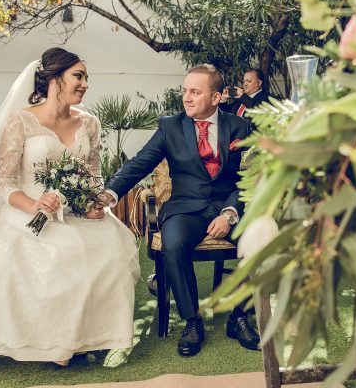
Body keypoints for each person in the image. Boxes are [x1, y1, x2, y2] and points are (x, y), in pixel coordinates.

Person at [0, 48, 140, 387]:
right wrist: (33, 206)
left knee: (108, 249)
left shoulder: (89, 122)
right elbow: (4, 182)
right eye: (79, 76)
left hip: (73, 210)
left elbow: (93, 178)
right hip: (25, 208)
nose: (85, 84)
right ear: (54, 79)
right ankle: (49, 341)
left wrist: (93, 202)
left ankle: (78, 337)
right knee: (55, 250)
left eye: (86, 77)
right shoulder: (20, 120)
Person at [106, 64, 259, 357]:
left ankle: (240, 317)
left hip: (226, 207)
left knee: (259, 243)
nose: (186, 98)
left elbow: (248, 177)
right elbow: (140, 163)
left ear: (217, 97)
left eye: (195, 92)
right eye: (185, 91)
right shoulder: (170, 126)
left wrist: (229, 213)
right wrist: (111, 191)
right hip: (185, 209)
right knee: (174, 244)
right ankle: (192, 321)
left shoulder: (239, 127)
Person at [220, 68, 270, 134]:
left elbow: (256, 110)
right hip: (233, 140)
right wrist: (223, 100)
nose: (245, 84)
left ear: (259, 83)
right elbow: (224, 114)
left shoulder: (267, 98)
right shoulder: (240, 100)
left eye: (248, 81)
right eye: (244, 82)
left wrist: (243, 96)